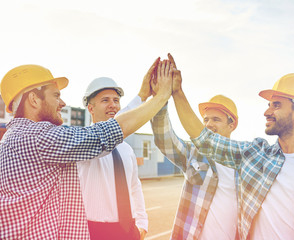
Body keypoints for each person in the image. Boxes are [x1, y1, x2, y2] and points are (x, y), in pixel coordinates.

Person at [170, 70, 294, 239]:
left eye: (276, 105)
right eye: (269, 105)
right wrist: (177, 93)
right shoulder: (254, 155)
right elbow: (205, 140)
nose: (266, 112)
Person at [0, 59, 173, 239]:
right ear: (34, 99)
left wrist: (142, 96)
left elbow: (106, 131)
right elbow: (104, 133)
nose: (62, 103)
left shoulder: (15, 137)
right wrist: (161, 96)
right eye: (56, 96)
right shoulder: (38, 138)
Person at [150, 54, 239, 240]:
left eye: (216, 119)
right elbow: (164, 139)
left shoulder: (245, 163)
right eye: (205, 119)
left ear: (232, 125)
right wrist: (161, 98)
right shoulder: (194, 154)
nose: (208, 124)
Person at [78, 77, 148, 240]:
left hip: (128, 230)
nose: (113, 105)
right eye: (105, 100)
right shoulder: (82, 142)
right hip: (93, 231)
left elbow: (134, 186)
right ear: (90, 108)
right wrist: (141, 97)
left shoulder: (126, 149)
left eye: (116, 100)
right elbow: (106, 132)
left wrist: (142, 224)